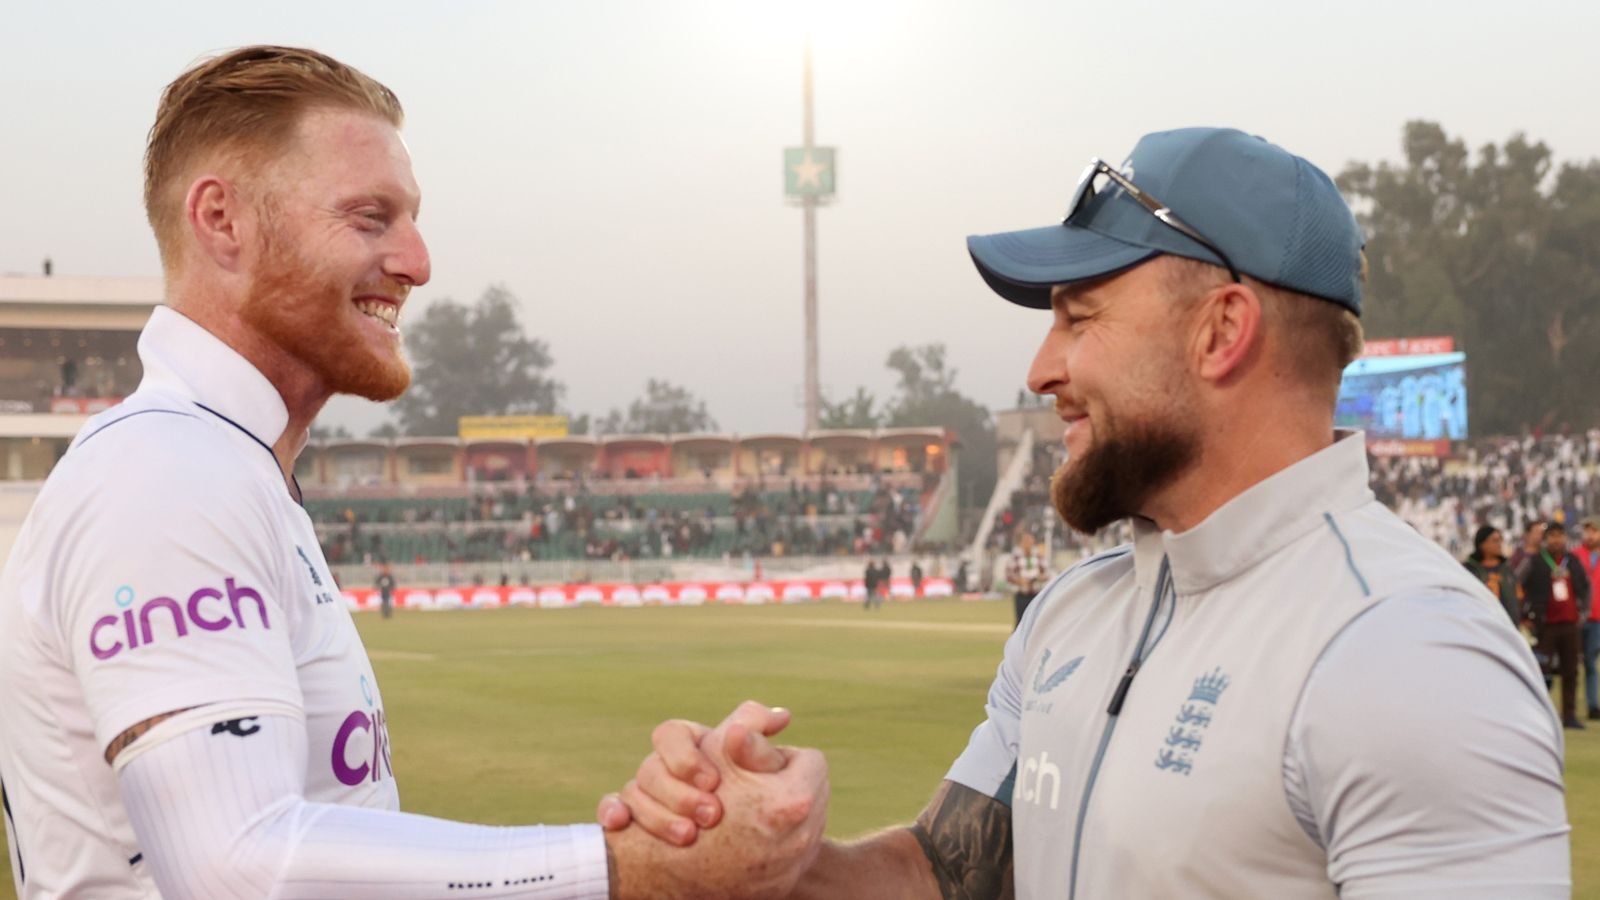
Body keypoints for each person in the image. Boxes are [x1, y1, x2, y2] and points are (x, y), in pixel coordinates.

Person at [602, 127, 1569, 896]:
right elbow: (947, 874)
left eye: (1081, 317)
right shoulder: (1073, 614)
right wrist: (767, 859)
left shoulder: (1405, 653)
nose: (1040, 370)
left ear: (1222, 330)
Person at [0, 46, 825, 900]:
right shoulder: (166, 472)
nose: (418, 262)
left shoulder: (230, 466)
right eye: (370, 217)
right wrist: (628, 871)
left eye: (412, 220)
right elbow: (240, 869)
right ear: (222, 221)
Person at [1522, 521, 1591, 729]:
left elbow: (1586, 587)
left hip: (1570, 623)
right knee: (1542, 671)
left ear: (1565, 538)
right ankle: (1539, 715)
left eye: (1560, 535)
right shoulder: (1535, 562)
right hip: (1545, 625)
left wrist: (1583, 612)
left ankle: (1568, 715)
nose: (1557, 539)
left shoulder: (1572, 561)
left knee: (1571, 671)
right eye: (1552, 535)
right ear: (1545, 539)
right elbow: (1517, 583)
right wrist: (1527, 614)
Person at [1462, 524, 1521, 624]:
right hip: (1483, 624)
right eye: (1494, 540)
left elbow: (1518, 594)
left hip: (1510, 624)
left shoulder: (1506, 568)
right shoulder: (1470, 570)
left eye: (1500, 540)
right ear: (1482, 544)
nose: (1499, 544)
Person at [1579, 515, 1600, 720]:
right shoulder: (1575, 555)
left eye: (1594, 531)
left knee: (1592, 664)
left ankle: (1594, 705)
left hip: (1598, 616)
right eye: (1588, 531)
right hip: (1581, 617)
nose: (1590, 535)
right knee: (1585, 663)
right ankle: (1585, 706)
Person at [1004, 531, 1048, 625]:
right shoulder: (1015, 558)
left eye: (1030, 541)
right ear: (1021, 543)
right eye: (1025, 541)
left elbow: (1047, 574)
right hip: (1022, 595)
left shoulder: (1039, 557)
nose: (1028, 544)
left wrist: (1039, 578)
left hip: (1036, 594)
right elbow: (1008, 575)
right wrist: (1020, 581)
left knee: (1036, 622)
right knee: (1020, 623)